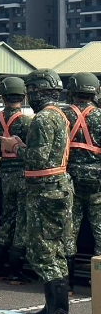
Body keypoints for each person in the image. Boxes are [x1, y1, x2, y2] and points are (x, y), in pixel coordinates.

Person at [0, 68, 73, 314]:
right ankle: (53, 307)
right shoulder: (59, 115)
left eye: (31, 92)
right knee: (53, 250)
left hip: (45, 190)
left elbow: (38, 159)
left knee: (44, 251)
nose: (29, 96)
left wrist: (14, 147)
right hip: (54, 186)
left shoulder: (42, 119)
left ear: (38, 92)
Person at [0, 76, 33, 284]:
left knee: (6, 220)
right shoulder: (27, 121)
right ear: (23, 96)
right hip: (23, 173)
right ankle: (15, 272)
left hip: (4, 173)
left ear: (2, 97)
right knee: (21, 221)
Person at [61, 72, 101, 295]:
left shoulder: (61, 115)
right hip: (97, 183)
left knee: (69, 233)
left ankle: (67, 285)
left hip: (70, 181)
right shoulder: (100, 117)